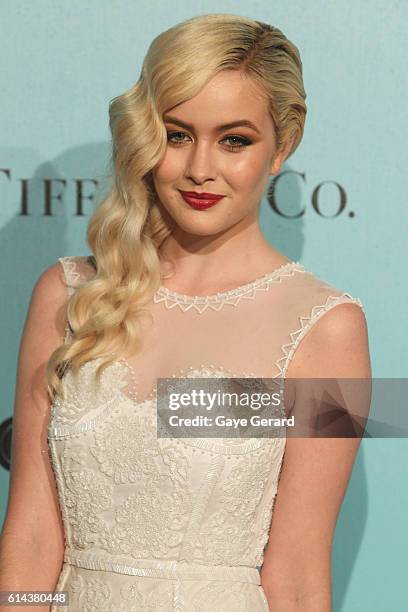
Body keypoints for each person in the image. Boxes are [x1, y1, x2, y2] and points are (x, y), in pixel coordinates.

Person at [0, 13, 371, 612]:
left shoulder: (325, 328)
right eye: (176, 135)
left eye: (235, 140)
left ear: (283, 146)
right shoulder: (68, 295)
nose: (201, 168)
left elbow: (300, 573)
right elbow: (31, 533)